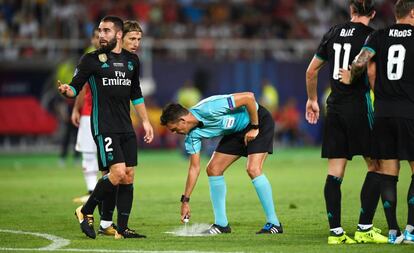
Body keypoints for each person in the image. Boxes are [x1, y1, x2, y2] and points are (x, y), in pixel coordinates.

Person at [58, 15, 153, 239]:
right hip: (104, 125)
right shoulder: (91, 60)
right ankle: (85, 210)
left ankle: (122, 227)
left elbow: (136, 94)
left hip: (126, 127)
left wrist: (146, 122)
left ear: (118, 34)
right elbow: (75, 87)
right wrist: (67, 92)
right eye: (100, 30)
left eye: (106, 31)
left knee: (128, 176)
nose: (101, 35)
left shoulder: (132, 61)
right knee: (116, 172)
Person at [305, 0, 388, 244]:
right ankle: (364, 228)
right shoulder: (372, 36)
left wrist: (312, 100)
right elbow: (371, 73)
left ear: (351, 10)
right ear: (372, 13)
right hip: (359, 107)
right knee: (378, 166)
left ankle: (336, 233)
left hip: (335, 108)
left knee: (334, 173)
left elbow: (311, 71)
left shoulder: (332, 32)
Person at [340, 0, 414, 244]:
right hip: (410, 113)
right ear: (412, 13)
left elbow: (362, 62)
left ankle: (393, 231)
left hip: (383, 114)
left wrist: (351, 75)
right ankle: (411, 229)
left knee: (388, 174)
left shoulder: (379, 35)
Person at [160, 92, 282, 235]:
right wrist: (185, 201)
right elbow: (194, 168)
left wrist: (255, 127)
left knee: (253, 168)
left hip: (257, 120)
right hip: (236, 131)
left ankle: (274, 223)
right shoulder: (191, 136)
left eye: (174, 129)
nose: (175, 133)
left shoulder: (210, 108)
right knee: (213, 169)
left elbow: (249, 98)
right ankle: (221, 225)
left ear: (182, 120)